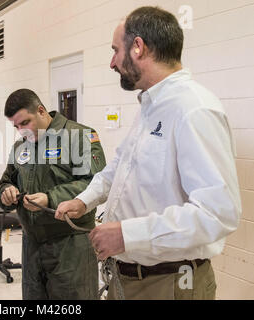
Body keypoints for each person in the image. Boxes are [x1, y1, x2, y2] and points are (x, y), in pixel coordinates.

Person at [55, 6, 241, 300]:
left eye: (116, 50)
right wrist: (83, 200)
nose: (112, 62)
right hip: (130, 278)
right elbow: (120, 167)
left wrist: (127, 235)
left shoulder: (193, 109)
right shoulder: (152, 106)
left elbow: (217, 215)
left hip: (170, 283)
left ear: (138, 47)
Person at [0, 88, 106, 300]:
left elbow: (95, 183)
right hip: (32, 245)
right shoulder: (21, 146)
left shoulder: (79, 137)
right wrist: (6, 193)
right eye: (16, 126)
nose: (22, 131)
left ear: (41, 111)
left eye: (25, 122)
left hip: (70, 244)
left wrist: (50, 198)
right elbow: (6, 180)